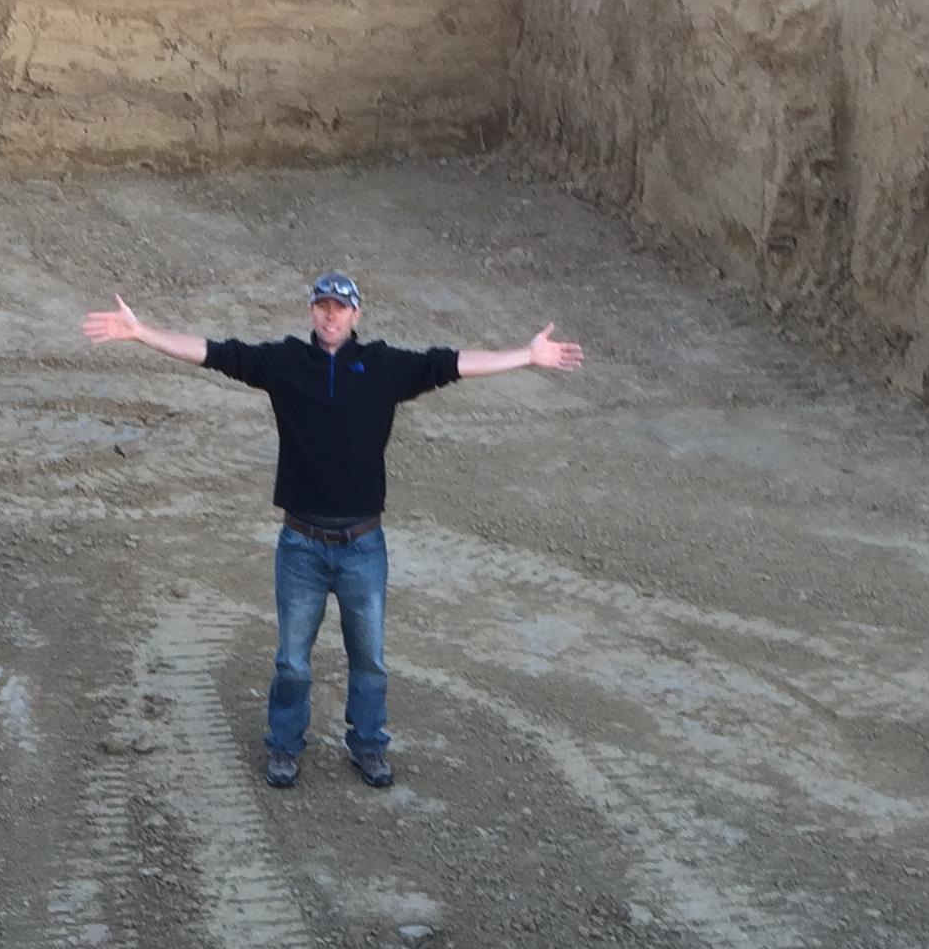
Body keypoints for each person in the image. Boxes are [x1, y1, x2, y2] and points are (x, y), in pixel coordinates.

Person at [83, 273, 584, 788]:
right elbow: (214, 353)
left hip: (362, 546)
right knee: (292, 662)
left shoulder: (384, 367)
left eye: (340, 307)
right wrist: (141, 332)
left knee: (369, 660)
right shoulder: (284, 363)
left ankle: (368, 745)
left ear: (355, 315)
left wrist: (527, 356)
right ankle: (284, 747)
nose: (330, 315)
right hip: (300, 544)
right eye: (322, 305)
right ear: (311, 312)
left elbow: (452, 364)